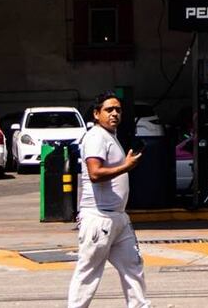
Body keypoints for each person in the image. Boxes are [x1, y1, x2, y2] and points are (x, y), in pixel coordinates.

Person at [68, 92, 150, 308]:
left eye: (118, 109)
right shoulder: (96, 137)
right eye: (109, 109)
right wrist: (126, 166)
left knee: (133, 266)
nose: (115, 113)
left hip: (118, 218)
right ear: (97, 114)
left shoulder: (110, 136)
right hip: (99, 218)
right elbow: (95, 174)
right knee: (88, 273)